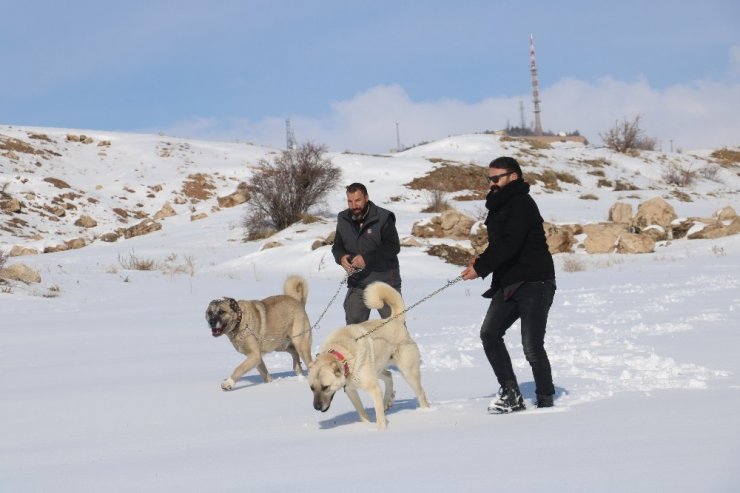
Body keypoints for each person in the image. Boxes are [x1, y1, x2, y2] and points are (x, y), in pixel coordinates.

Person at [461, 156, 556, 414]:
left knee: (531, 346)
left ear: (513, 176)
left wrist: (480, 268)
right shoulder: (499, 205)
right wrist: (480, 260)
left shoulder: (522, 203)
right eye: (489, 178)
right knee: (490, 334)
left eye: (496, 178)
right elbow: (501, 245)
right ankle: (511, 392)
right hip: (509, 282)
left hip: (536, 281)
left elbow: (511, 244)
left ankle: (546, 400)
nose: (491, 183)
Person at [332, 182, 402, 324]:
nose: (354, 205)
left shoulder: (383, 217)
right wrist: (341, 257)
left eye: (358, 200)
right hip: (358, 283)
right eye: (350, 201)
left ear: (366, 198)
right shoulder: (343, 218)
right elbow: (337, 245)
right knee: (354, 333)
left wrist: (366, 259)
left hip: (386, 283)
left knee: (396, 331)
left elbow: (393, 246)